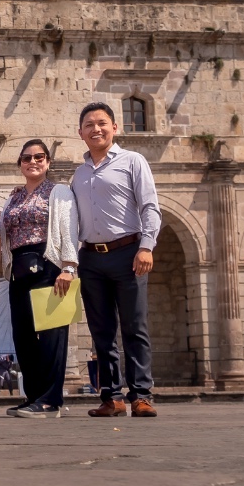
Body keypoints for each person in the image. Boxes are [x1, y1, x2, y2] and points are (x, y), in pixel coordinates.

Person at [72, 102, 162, 418]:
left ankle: (141, 395)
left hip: (128, 253)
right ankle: (112, 397)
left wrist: (147, 246)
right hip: (91, 257)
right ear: (80, 132)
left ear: (115, 127)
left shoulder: (132, 161)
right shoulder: (78, 174)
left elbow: (150, 206)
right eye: (89, 125)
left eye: (102, 123)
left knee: (135, 326)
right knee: (101, 331)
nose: (96, 129)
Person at [0, 138, 79, 418]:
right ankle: (33, 396)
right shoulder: (14, 197)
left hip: (50, 266)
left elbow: (68, 228)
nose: (33, 162)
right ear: (20, 164)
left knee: (52, 335)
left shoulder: (59, 192)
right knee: (24, 337)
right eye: (27, 158)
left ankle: (50, 399)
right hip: (19, 270)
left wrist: (69, 268)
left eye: (39, 157)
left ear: (48, 162)